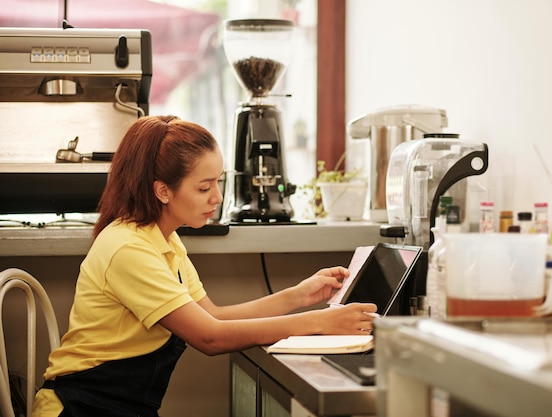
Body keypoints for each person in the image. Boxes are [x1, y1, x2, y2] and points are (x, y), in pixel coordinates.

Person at [32, 115, 377, 417]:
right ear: (163, 191)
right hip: (82, 407)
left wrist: (300, 296)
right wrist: (318, 322)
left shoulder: (164, 239)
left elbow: (213, 316)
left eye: (218, 182)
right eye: (204, 187)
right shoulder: (128, 248)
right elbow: (210, 337)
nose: (217, 197)